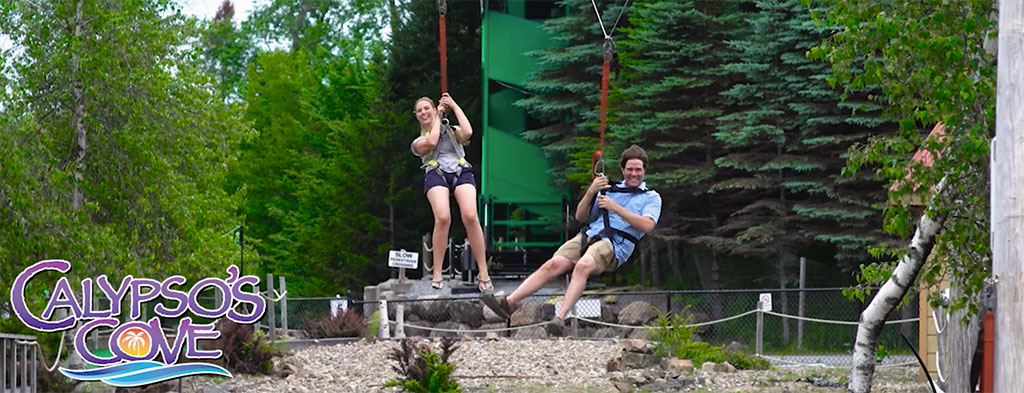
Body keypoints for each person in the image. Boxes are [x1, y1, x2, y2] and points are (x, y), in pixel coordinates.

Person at [482, 145, 661, 335]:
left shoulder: (651, 197)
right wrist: (591, 191)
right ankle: (509, 303)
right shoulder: (609, 189)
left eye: (638, 170)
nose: (634, 174)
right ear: (623, 170)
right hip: (591, 234)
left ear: (644, 171)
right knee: (553, 264)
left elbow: (647, 225)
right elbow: (580, 216)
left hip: (616, 244)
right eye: (630, 169)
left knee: (583, 265)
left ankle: (560, 317)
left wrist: (615, 207)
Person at [411, 93, 492, 292]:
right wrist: (438, 116)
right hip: (435, 172)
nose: (423, 112)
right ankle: (437, 272)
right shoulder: (418, 141)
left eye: (426, 108)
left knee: (471, 216)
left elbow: (468, 132)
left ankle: (483, 271)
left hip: (460, 170)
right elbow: (431, 142)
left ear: (433, 109)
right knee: (443, 218)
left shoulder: (452, 131)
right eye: (419, 110)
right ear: (417, 116)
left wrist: (453, 105)